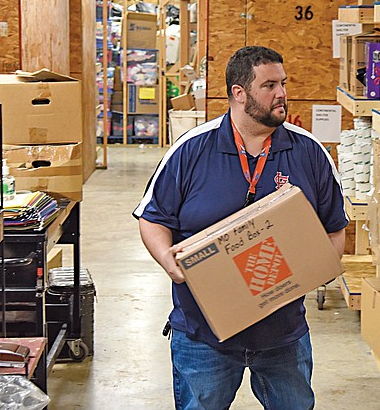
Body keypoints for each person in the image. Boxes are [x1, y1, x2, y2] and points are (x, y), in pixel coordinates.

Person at [134, 45, 348, 410]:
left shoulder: (309, 151)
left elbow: (333, 227)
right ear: (239, 93)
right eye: (269, 85)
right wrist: (168, 262)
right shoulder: (191, 149)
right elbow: (154, 218)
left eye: (283, 83)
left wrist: (315, 269)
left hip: (283, 333)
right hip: (203, 335)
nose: (281, 93)